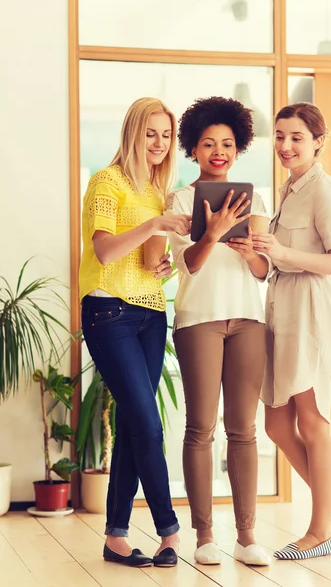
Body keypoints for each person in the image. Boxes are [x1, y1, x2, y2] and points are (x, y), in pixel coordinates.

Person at [79, 97, 192, 568]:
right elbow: (105, 253)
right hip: (109, 314)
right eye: (151, 133)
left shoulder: (158, 192)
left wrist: (162, 267)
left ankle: (116, 536)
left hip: (149, 313)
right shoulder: (106, 182)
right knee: (148, 422)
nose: (159, 144)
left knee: (132, 424)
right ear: (132, 132)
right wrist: (153, 224)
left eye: (166, 136)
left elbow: (145, 265)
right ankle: (169, 531)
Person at [254, 102, 331, 560]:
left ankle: (319, 532)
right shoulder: (286, 190)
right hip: (280, 308)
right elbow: (272, 262)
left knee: (312, 419)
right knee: (277, 423)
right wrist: (256, 252)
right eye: (280, 136)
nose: (285, 145)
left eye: (296, 137)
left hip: (312, 311)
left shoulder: (324, 191)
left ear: (319, 140)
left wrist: (282, 251)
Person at [166, 96, 271, 567]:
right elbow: (186, 266)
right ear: (193, 148)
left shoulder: (258, 198)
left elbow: (263, 269)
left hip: (249, 319)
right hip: (199, 321)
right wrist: (213, 232)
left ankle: (247, 536)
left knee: (244, 430)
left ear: (238, 146)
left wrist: (249, 248)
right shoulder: (180, 200)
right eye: (208, 143)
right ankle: (205, 534)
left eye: (227, 143)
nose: (218, 151)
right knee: (200, 428)